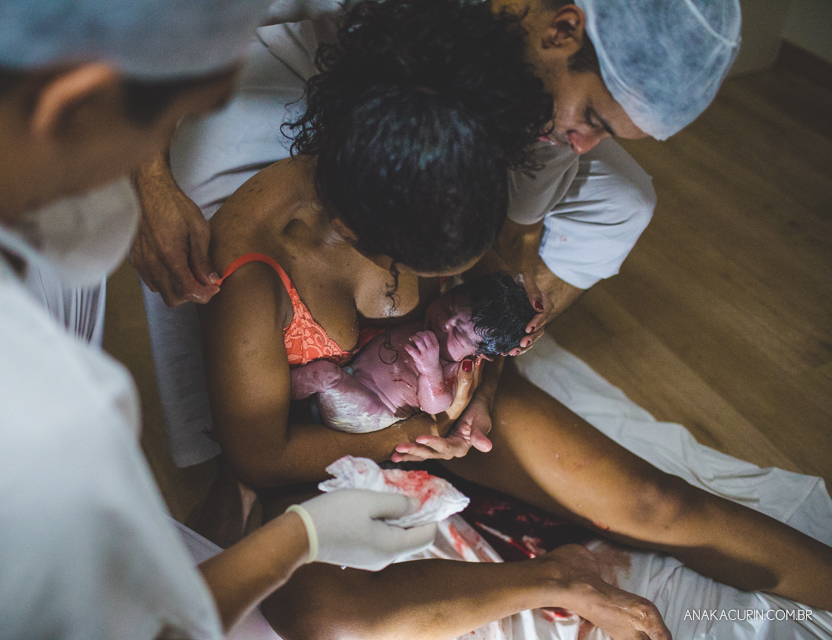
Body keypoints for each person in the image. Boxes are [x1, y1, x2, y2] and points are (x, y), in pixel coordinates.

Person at [193, 1, 832, 638]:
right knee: (325, 615)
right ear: (354, 229)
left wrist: (484, 383)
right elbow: (260, 455)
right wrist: (408, 435)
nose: (425, 288)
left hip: (445, 419)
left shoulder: (453, 165)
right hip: (327, 447)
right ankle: (556, 577)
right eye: (418, 267)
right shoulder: (259, 267)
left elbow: (495, 285)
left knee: (654, 503)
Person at [0, 1, 443, 638]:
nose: (154, 167)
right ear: (72, 106)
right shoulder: (41, 434)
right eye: (178, 119)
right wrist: (300, 539)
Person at [127, 0, 739, 469]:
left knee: (626, 200)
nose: (585, 141)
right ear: (562, 31)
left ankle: (434, 335)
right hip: (273, 58)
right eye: (593, 118)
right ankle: (257, 401)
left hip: (447, 94)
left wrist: (487, 364)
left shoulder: (545, 94)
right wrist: (149, 184)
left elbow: (523, 222)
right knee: (215, 219)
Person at [290, 273, 532, 433]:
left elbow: (436, 406)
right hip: (349, 382)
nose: (443, 323)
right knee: (325, 375)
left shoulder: (451, 367)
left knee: (323, 374)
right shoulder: (424, 321)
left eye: (458, 333)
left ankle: (276, 396)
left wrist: (431, 371)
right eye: (447, 306)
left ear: (481, 354)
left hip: (372, 408)